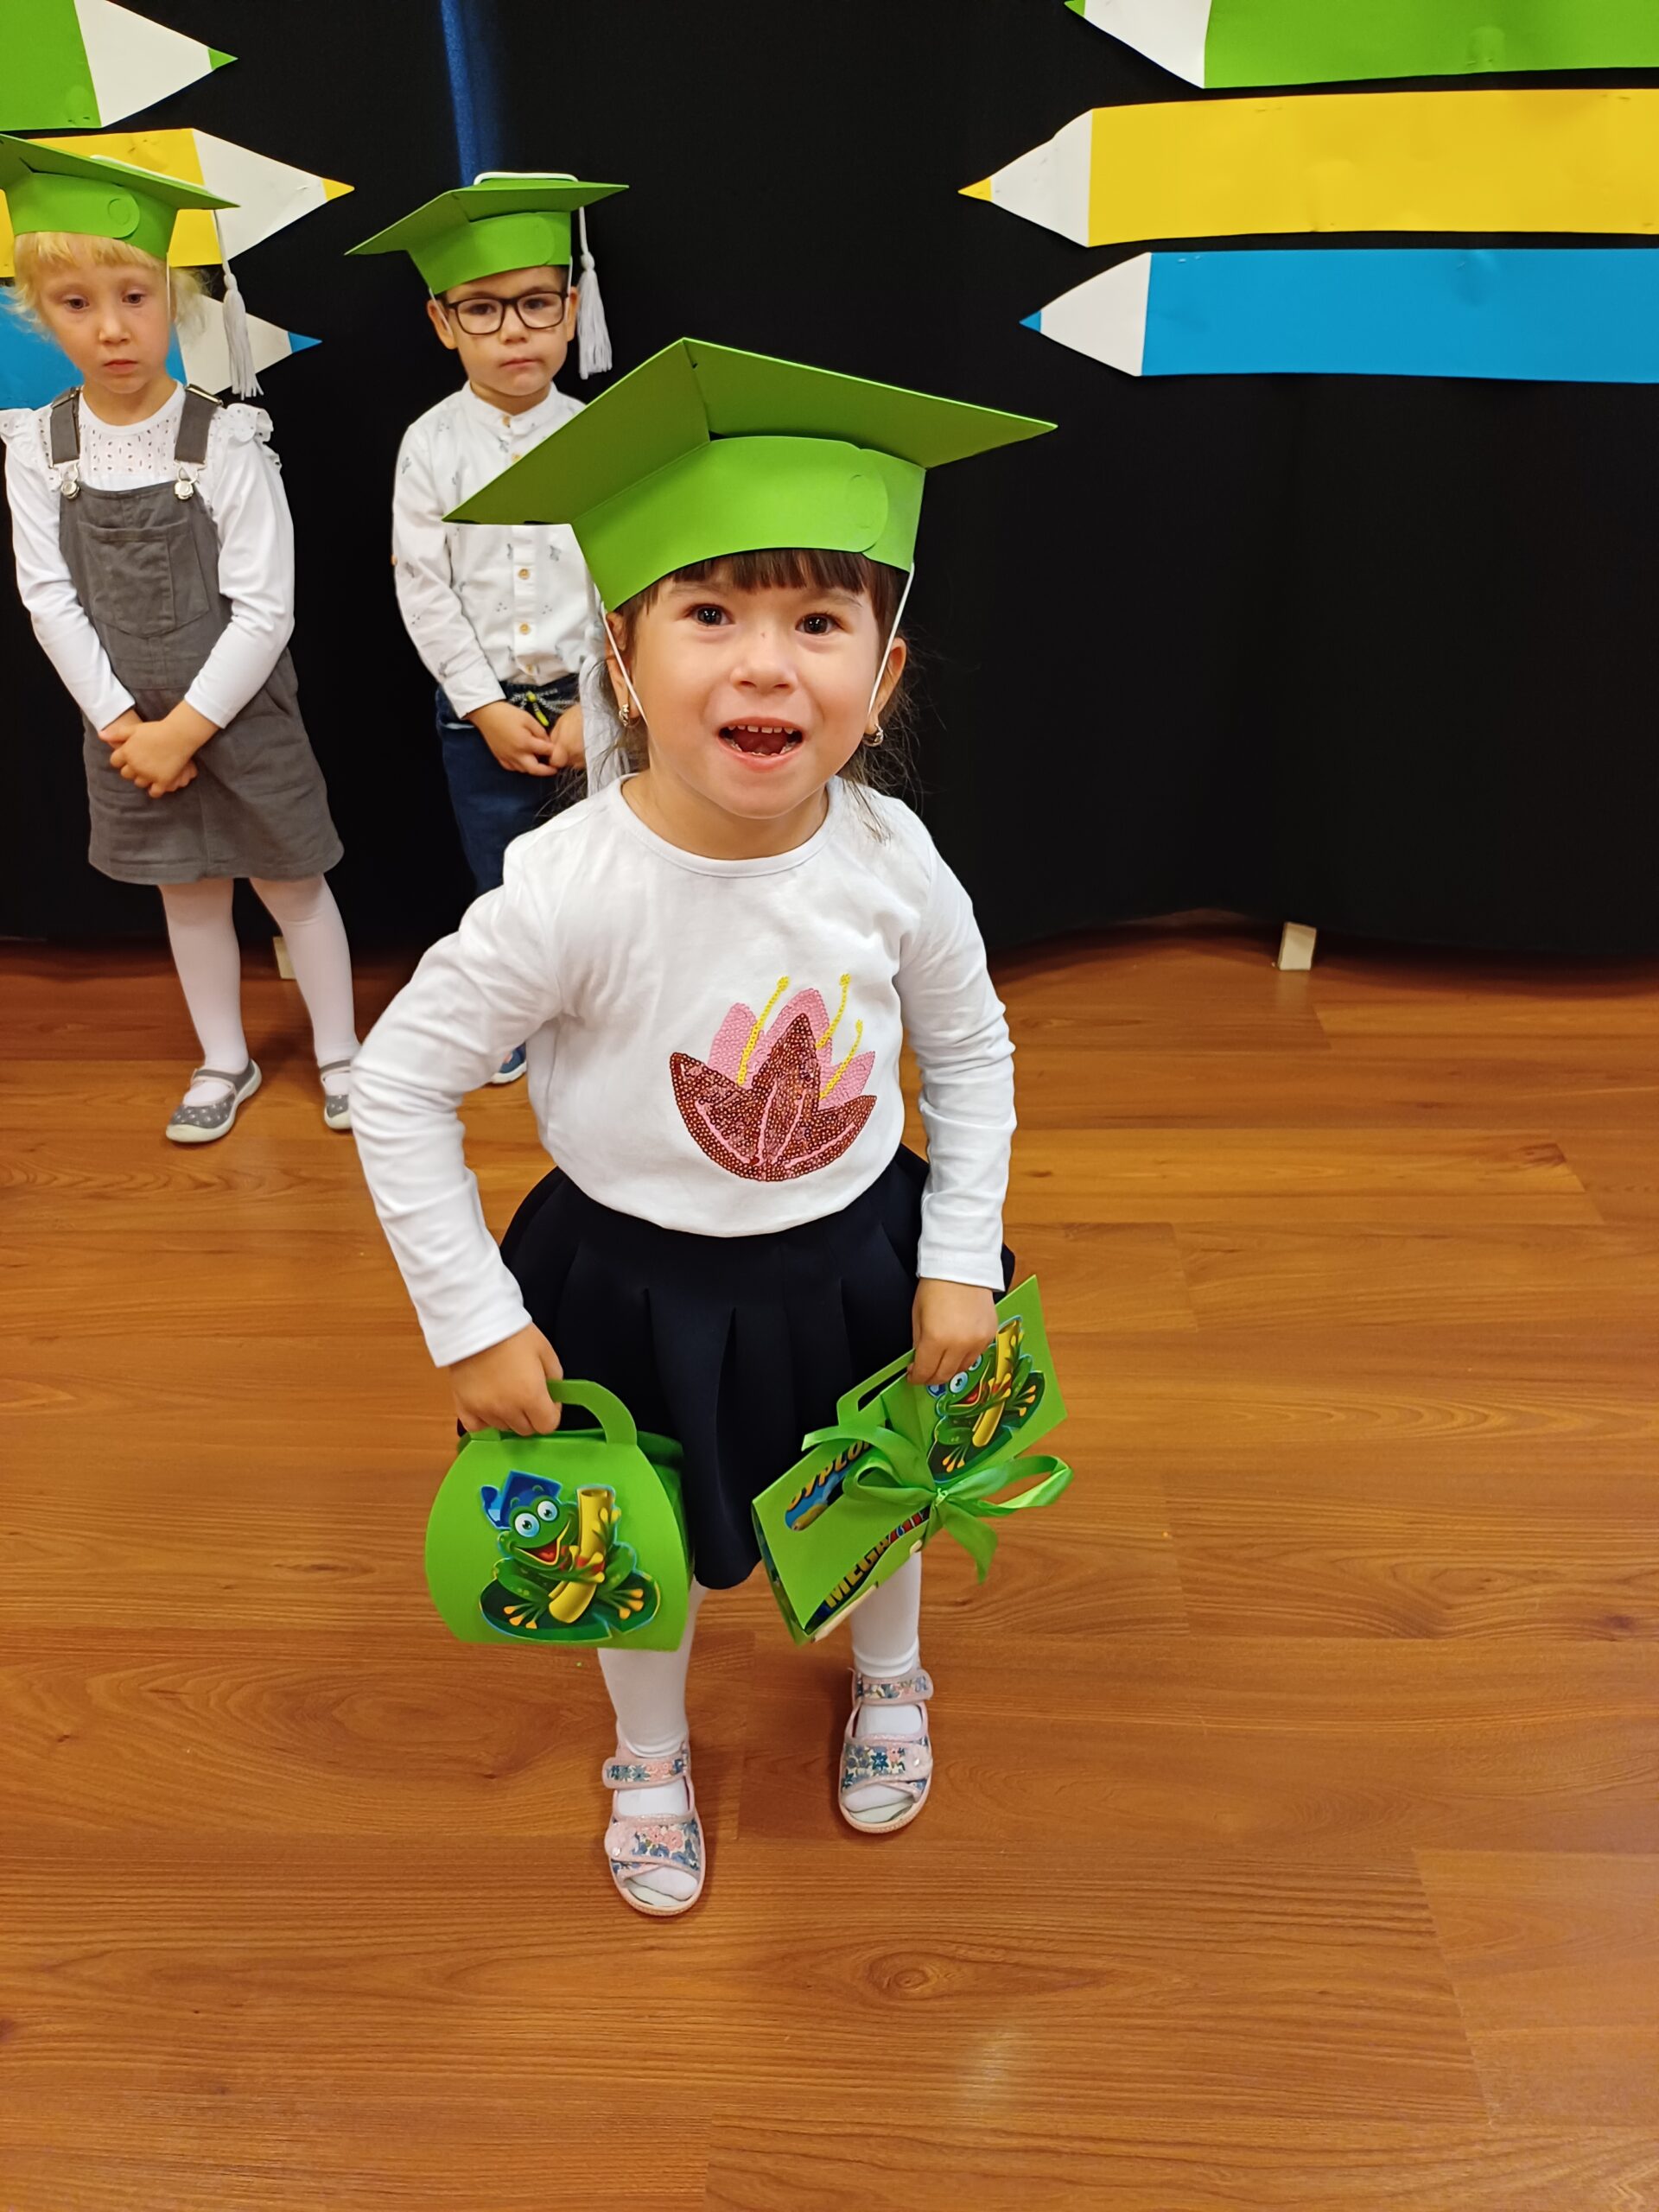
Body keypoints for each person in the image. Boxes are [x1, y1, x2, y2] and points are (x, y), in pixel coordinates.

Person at [352, 337, 1052, 1915]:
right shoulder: (568, 892)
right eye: (711, 612)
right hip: (628, 1281)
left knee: (880, 1493)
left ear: (883, 677)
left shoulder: (892, 859)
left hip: (856, 1260)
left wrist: (957, 1256)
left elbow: (972, 1049)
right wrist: (470, 1318)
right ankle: (650, 1750)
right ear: (620, 654)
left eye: (819, 621)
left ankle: (890, 1672)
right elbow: (396, 1085)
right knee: (629, 1537)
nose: (765, 666)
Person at [0, 134, 357, 1141]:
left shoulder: (227, 438)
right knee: (187, 893)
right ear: (41, 314)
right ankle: (224, 1058)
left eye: (134, 296)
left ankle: (341, 1052)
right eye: (77, 303)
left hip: (238, 714)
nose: (112, 327)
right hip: (125, 728)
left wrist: (185, 729)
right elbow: (48, 599)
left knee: (293, 883)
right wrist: (127, 727)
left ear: (177, 296)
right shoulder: (37, 445)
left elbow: (266, 609)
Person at [350, 174, 624, 1084]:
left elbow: (624, 587)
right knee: (501, 875)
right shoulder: (430, 446)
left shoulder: (602, 436)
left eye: (537, 303)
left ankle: (597, 1014)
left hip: (594, 704)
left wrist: (596, 704)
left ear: (572, 309)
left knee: (601, 868)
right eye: (482, 309)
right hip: (482, 713)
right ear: (442, 322)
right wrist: (483, 706)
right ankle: (512, 1014)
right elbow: (425, 589)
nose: (514, 331)